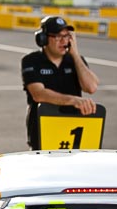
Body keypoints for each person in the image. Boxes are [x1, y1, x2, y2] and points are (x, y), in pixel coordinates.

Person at [21, 16, 99, 150]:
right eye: (58, 36)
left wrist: (75, 55)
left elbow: (91, 87)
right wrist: (74, 100)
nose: (64, 41)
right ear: (43, 39)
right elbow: (38, 94)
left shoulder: (75, 61)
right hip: (42, 134)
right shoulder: (31, 61)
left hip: (72, 133)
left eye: (67, 36)